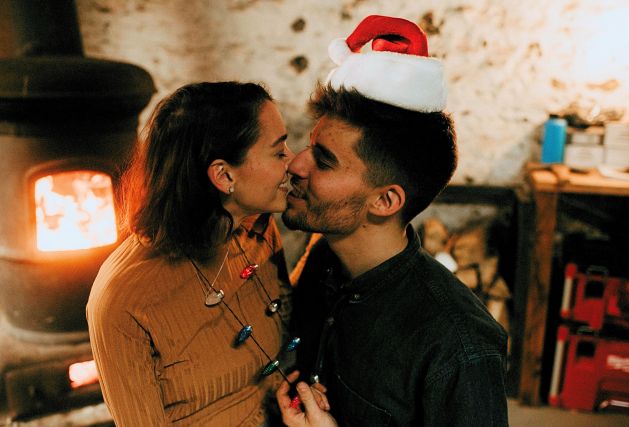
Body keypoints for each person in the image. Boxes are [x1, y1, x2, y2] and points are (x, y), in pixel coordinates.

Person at [276, 15, 509, 426]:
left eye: (324, 161)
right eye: (309, 146)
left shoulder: (458, 346)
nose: (296, 165)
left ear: (385, 201)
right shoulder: (323, 259)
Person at [86, 81, 296, 426]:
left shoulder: (257, 230)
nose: (294, 161)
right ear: (224, 175)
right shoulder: (122, 301)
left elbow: (283, 340)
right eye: (278, 152)